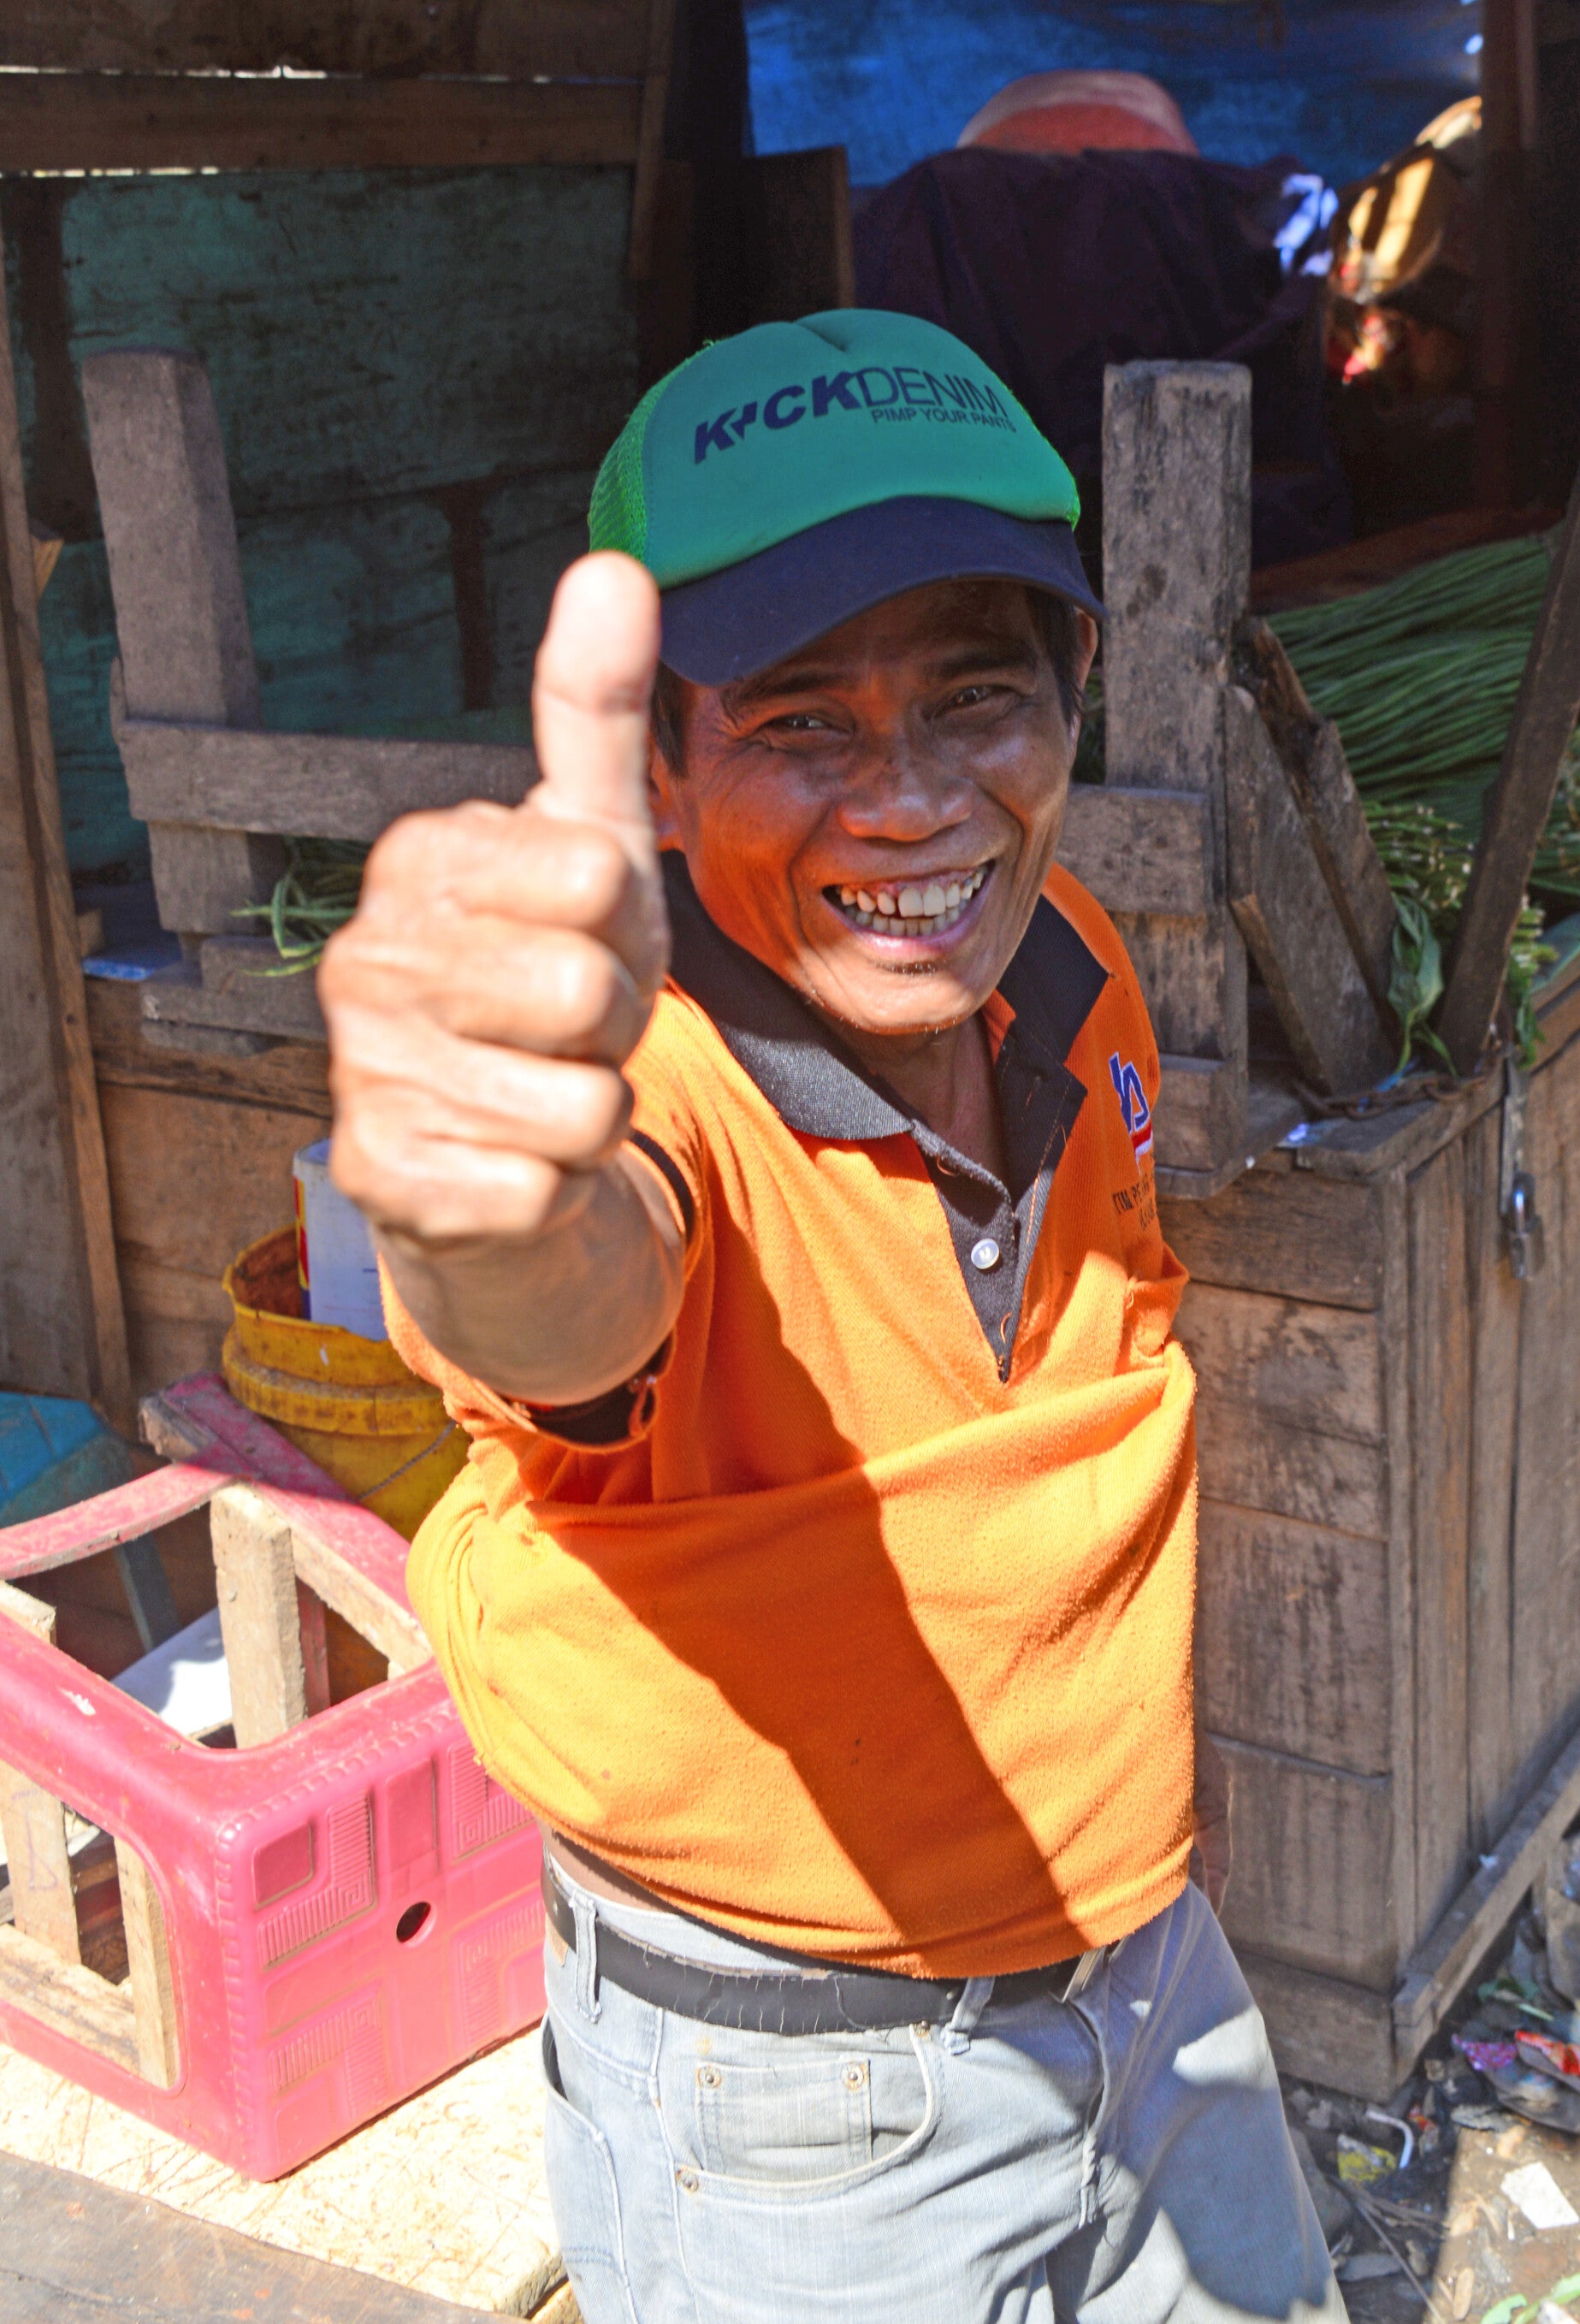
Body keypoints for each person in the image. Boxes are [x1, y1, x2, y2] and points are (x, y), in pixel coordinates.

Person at [320, 309, 1344, 2324]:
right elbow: (570, 1306)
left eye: (979, 698)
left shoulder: (1071, 969)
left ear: (1074, 702)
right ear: (666, 772)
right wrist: (488, 1206)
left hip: (1143, 1966)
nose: (910, 803)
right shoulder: (660, 1095)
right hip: (804, 2094)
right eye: (799, 724)